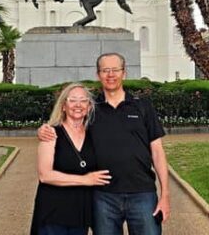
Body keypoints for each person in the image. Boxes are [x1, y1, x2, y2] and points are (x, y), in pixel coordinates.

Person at [39, 53, 171, 235]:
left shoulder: (142, 106)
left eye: (115, 70)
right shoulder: (92, 109)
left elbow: (157, 152)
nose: (110, 75)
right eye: (105, 70)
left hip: (142, 193)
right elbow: (70, 122)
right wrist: (45, 129)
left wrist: (165, 195)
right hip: (103, 196)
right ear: (98, 74)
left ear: (124, 73)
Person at [31, 83, 112, 235]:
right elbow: (45, 175)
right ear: (63, 106)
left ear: (89, 107)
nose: (78, 105)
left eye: (83, 100)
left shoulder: (94, 135)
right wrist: (85, 180)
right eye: (72, 100)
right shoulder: (51, 133)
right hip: (52, 214)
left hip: (80, 216)